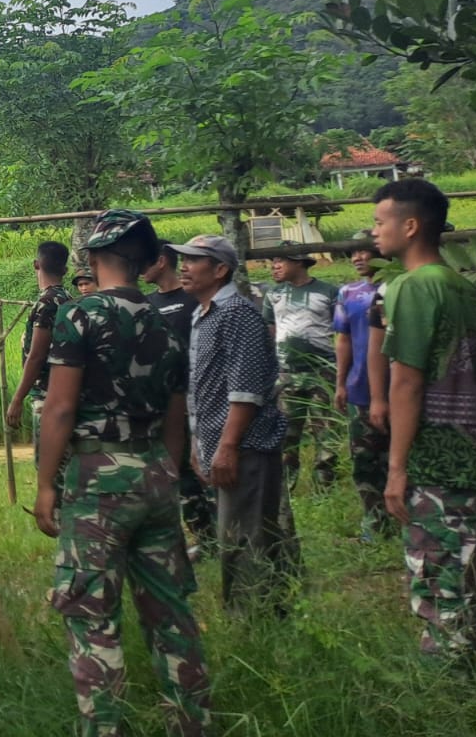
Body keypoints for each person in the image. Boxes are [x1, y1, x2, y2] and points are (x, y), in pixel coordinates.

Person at [35, 210, 211, 737]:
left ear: (92, 257)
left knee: (92, 615)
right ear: (147, 261)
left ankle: (104, 728)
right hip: (156, 472)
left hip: (97, 480)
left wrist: (47, 483)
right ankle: (192, 722)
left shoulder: (81, 315)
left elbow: (61, 409)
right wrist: (167, 473)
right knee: (170, 611)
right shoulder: (170, 318)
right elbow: (177, 418)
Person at [372, 178, 476, 659]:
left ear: (410, 226)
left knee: (438, 587)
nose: (373, 232)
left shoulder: (411, 287)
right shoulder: (464, 289)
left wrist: (397, 467)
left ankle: (446, 687)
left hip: (439, 466)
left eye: (380, 221)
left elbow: (406, 381)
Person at [173, 234, 296, 614]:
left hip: (244, 448)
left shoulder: (237, 314)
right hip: (222, 445)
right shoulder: (202, 313)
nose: (184, 267)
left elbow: (244, 391)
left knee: (246, 537)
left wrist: (226, 447)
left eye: (194, 260)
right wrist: (200, 446)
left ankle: (253, 618)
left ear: (220, 269)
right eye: (183, 259)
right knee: (236, 533)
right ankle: (259, 612)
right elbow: (205, 388)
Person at [145, 242, 215, 551]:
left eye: (145, 261)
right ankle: (204, 534)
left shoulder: (194, 300)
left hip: (199, 398)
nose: (139, 268)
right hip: (164, 402)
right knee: (178, 470)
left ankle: (221, 531)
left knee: (203, 466)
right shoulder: (146, 304)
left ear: (161, 262)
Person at [333, 230, 393, 541]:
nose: (357, 258)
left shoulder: (398, 287)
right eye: (352, 252)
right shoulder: (347, 293)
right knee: (365, 459)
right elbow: (343, 340)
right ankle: (375, 520)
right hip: (360, 388)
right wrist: (340, 383)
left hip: (401, 387)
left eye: (363, 251)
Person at [263, 246, 339, 487]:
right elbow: (270, 329)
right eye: (273, 261)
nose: (275, 266)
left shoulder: (328, 292)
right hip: (287, 373)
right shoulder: (273, 294)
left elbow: (342, 331)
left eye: (280, 261)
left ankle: (325, 484)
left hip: (322, 370)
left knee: (325, 430)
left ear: (299, 263)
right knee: (286, 431)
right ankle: (287, 484)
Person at [5, 241, 71, 455]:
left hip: (46, 394)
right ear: (65, 270)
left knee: (48, 463)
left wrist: (17, 399)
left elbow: (37, 356)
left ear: (36, 265)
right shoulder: (69, 299)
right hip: (67, 391)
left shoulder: (46, 304)